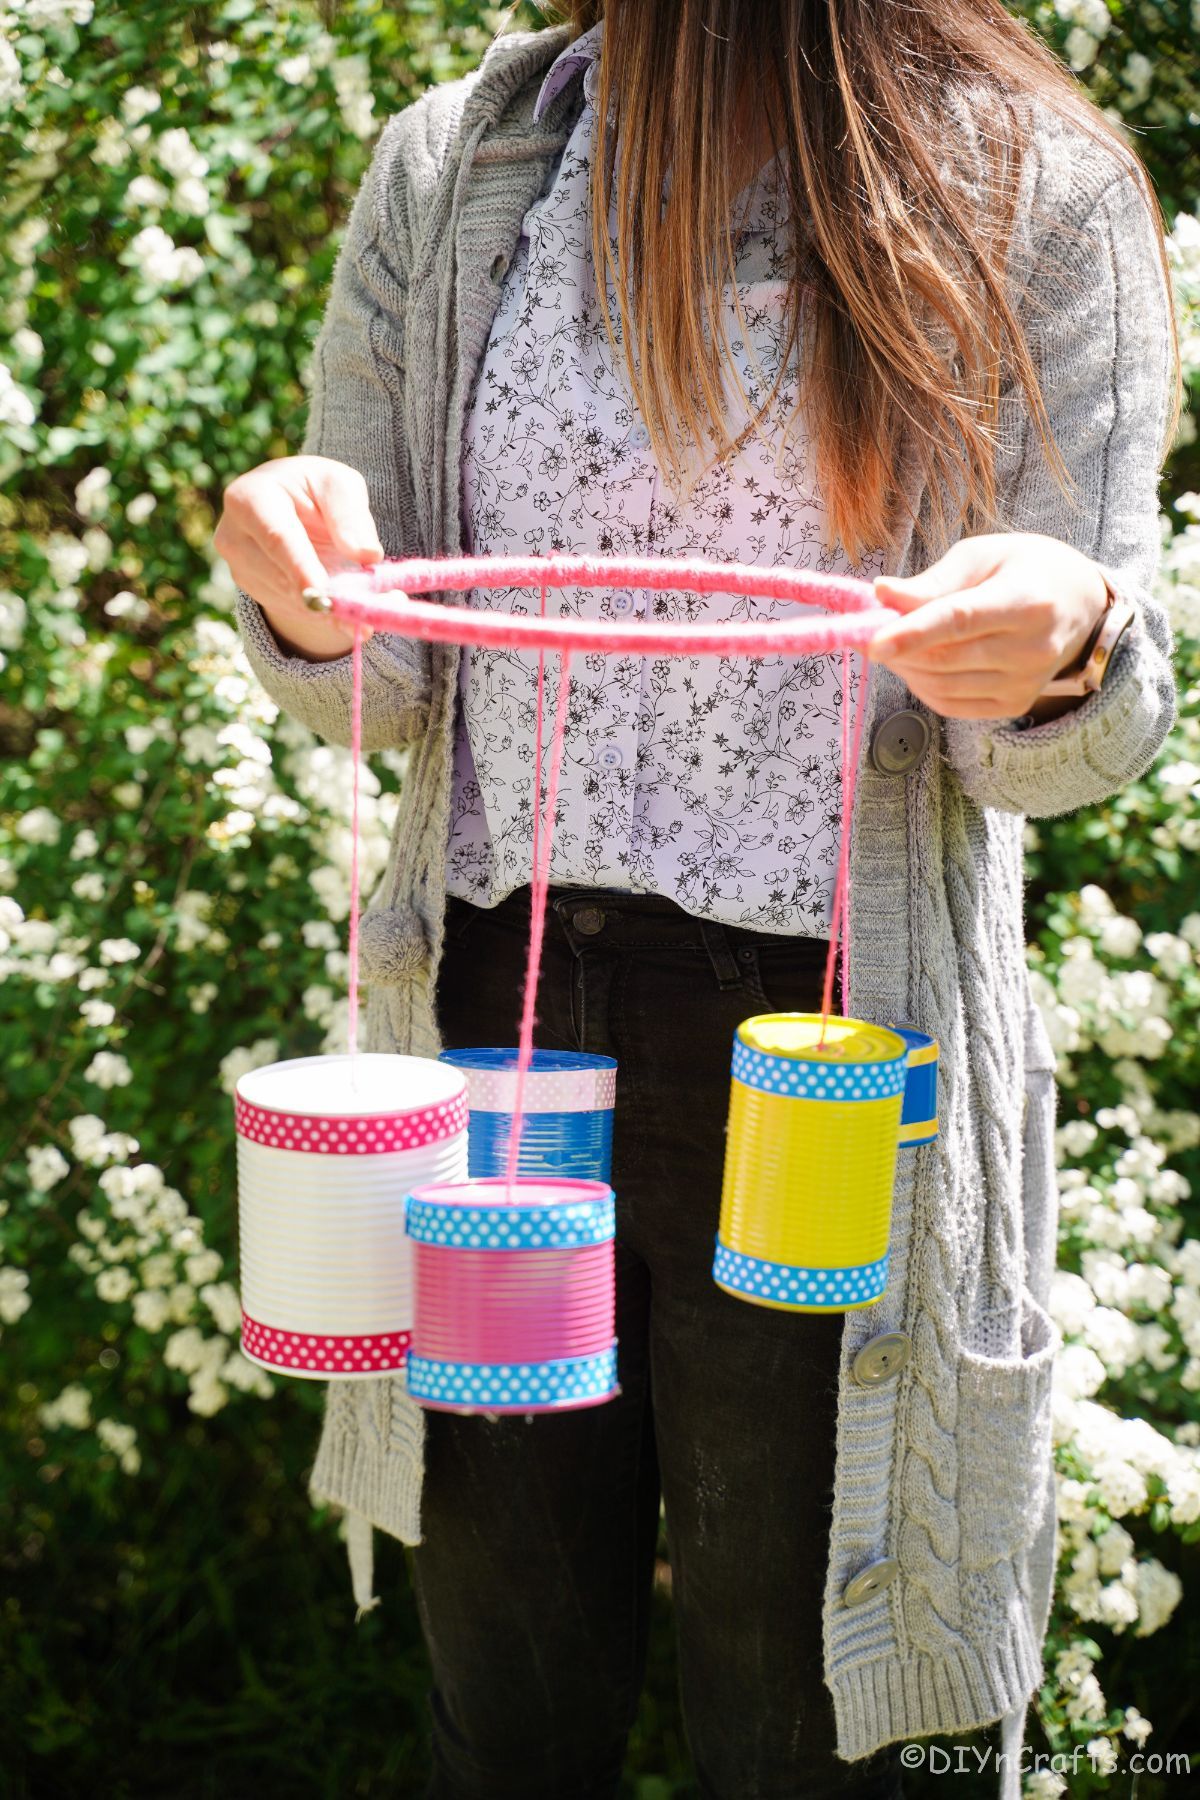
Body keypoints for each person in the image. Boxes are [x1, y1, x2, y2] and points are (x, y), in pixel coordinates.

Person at [214, 6, 1180, 1797]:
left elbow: (1080, 739)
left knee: (807, 1725)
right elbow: (384, 669)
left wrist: (1066, 647)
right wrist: (298, 588)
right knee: (504, 1710)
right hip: (497, 1023)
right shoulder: (459, 162)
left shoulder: (1042, 189)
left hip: (832, 1051)